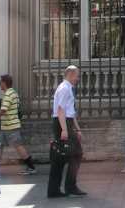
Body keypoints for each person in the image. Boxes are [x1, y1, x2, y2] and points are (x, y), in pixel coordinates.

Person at [0, 74, 36, 174]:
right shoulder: (13, 93)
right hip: (7, 126)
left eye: (0, 82)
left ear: (4, 83)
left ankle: (31, 167)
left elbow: (3, 110)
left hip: (10, 126)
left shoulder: (8, 94)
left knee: (18, 146)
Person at [47, 65, 86, 198]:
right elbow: (61, 110)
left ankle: (54, 190)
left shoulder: (67, 87)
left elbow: (71, 112)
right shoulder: (64, 88)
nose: (78, 78)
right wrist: (64, 129)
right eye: (77, 75)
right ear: (70, 74)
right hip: (62, 123)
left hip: (64, 122)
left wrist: (77, 129)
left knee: (60, 157)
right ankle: (70, 187)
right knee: (77, 154)